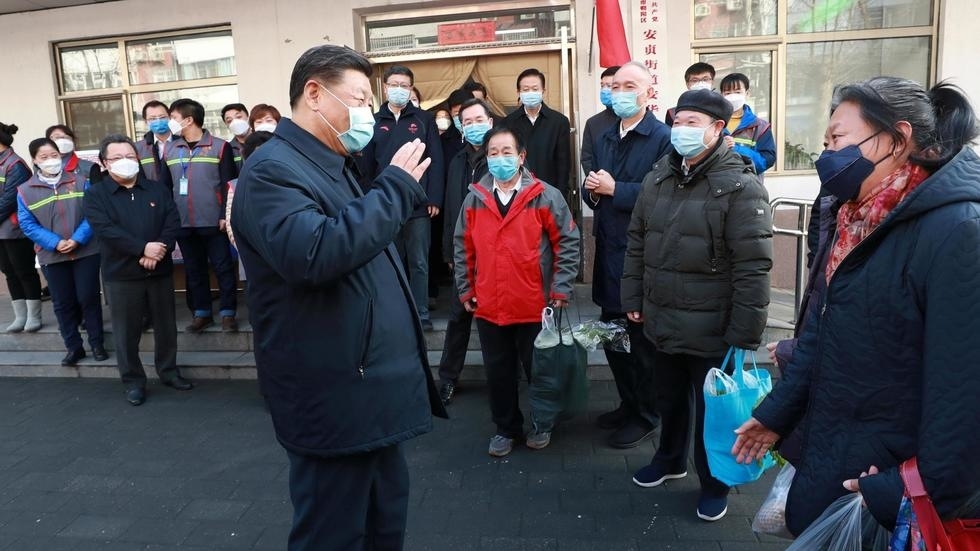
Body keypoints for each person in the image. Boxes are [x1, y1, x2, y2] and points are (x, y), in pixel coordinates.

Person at [733, 77, 980, 538]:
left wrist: (900, 492)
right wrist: (775, 414)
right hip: (836, 452)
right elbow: (821, 333)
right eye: (824, 142)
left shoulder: (957, 231)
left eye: (838, 139)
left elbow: (964, 396)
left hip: (889, 492)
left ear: (897, 140)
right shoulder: (855, 217)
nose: (826, 154)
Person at [231, 44, 446, 551]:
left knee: (381, 523)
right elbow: (315, 254)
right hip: (332, 394)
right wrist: (394, 189)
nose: (368, 113)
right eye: (360, 98)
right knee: (333, 533)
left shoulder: (332, 163)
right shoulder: (272, 171)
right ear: (314, 94)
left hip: (367, 391)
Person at [621, 88, 772, 522]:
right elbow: (637, 242)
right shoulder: (658, 178)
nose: (681, 131)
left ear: (717, 129)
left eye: (692, 123)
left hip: (713, 327)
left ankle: (714, 482)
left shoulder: (740, 186)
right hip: (663, 317)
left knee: (714, 411)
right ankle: (670, 459)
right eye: (677, 122)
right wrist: (633, 296)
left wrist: (745, 334)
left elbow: (753, 267)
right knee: (668, 398)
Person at [453, 126, 580, 457]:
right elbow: (462, 247)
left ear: (521, 157)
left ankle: (542, 423)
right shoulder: (474, 199)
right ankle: (506, 428)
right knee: (499, 374)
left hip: (535, 304)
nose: (500, 159)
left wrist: (560, 289)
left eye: (507, 152)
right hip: (489, 305)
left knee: (540, 372)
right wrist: (466, 290)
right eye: (493, 153)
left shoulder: (545, 195)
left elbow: (567, 242)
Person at [583, 62, 672, 449]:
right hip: (608, 252)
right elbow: (596, 190)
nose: (619, 91)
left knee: (640, 345)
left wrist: (615, 189)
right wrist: (592, 190)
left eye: (629, 85)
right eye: (615, 85)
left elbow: (664, 198)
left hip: (641, 258)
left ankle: (647, 414)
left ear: (647, 92)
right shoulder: (605, 135)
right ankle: (627, 401)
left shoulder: (663, 138)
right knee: (611, 336)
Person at [84, 135, 192, 406]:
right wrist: (143, 249)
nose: (125, 162)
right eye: (116, 158)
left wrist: (159, 250)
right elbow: (106, 231)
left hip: (159, 270)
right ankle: (133, 381)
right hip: (122, 274)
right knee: (126, 332)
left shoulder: (156, 189)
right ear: (104, 163)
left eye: (130, 156)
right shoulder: (96, 194)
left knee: (166, 327)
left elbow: (172, 222)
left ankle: (168, 371)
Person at [361, 65, 444, 331]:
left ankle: (421, 313)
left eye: (405, 85)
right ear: (384, 87)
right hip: (384, 204)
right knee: (389, 262)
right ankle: (395, 313)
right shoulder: (372, 121)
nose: (400, 90)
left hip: (418, 204)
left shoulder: (423, 119)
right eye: (394, 84)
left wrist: (434, 198)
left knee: (419, 261)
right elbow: (365, 166)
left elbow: (436, 160)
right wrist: (369, 199)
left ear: (411, 89)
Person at [17, 137, 107, 367]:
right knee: (63, 302)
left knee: (88, 297)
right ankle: (73, 347)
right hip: (52, 255)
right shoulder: (25, 190)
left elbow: (92, 214)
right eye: (44, 157)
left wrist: (77, 239)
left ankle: (97, 343)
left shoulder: (79, 181)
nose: (50, 161)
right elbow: (27, 224)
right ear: (35, 161)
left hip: (85, 251)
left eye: (54, 155)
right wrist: (55, 243)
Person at [163, 98, 240, 333]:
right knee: (193, 270)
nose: (170, 123)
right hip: (183, 222)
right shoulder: (169, 149)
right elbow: (165, 187)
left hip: (213, 221)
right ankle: (202, 313)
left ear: (188, 119)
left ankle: (228, 313)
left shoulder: (219, 146)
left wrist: (224, 215)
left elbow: (229, 184)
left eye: (173, 118)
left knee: (223, 267)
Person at [436, 98, 493, 405]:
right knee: (458, 318)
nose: (472, 126)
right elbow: (450, 209)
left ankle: (502, 377)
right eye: (466, 121)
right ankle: (447, 379)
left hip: (493, 253)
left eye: (477, 120)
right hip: (463, 254)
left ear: (490, 122)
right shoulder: (457, 160)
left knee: (491, 321)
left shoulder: (500, 158)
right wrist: (448, 250)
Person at [0, 122, 43, 333]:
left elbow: (9, 200)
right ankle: (20, 316)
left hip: (14, 230)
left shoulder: (15, 164)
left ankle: (34, 316)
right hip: (1, 231)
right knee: (9, 272)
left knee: (24, 271)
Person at [503, 68, 572, 194]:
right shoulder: (508, 122)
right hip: (518, 193)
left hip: (549, 192)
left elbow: (563, 164)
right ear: (518, 92)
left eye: (535, 89)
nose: (530, 93)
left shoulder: (559, 122)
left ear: (543, 91)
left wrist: (561, 195)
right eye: (525, 89)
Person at [225, 130, 274, 284]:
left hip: (284, 258)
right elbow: (231, 224)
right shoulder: (236, 185)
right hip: (251, 257)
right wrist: (247, 249)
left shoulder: (290, 182)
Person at [720, 73, 776, 176]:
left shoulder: (760, 126)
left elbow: (767, 161)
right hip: (715, 186)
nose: (732, 96)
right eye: (727, 93)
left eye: (737, 92)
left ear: (747, 93)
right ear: (722, 95)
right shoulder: (713, 123)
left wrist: (736, 148)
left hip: (748, 187)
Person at [580, 65, 620, 176]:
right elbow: (587, 158)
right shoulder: (593, 123)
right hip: (599, 187)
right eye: (602, 86)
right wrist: (597, 181)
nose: (604, 90)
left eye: (609, 86)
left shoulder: (631, 119)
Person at [664, 62, 716, 126]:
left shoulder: (720, 110)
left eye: (705, 79)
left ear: (712, 82)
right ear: (687, 84)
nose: (700, 83)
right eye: (694, 80)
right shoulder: (672, 113)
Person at [136, 100, 173, 182]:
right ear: (146, 122)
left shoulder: (182, 143)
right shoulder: (138, 148)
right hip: (153, 193)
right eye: (152, 119)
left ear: (170, 117)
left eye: (162, 117)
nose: (158, 121)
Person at [222, 103, 251, 171]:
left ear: (248, 117)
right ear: (227, 125)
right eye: (229, 121)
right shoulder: (227, 149)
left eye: (238, 117)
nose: (235, 122)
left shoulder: (263, 142)